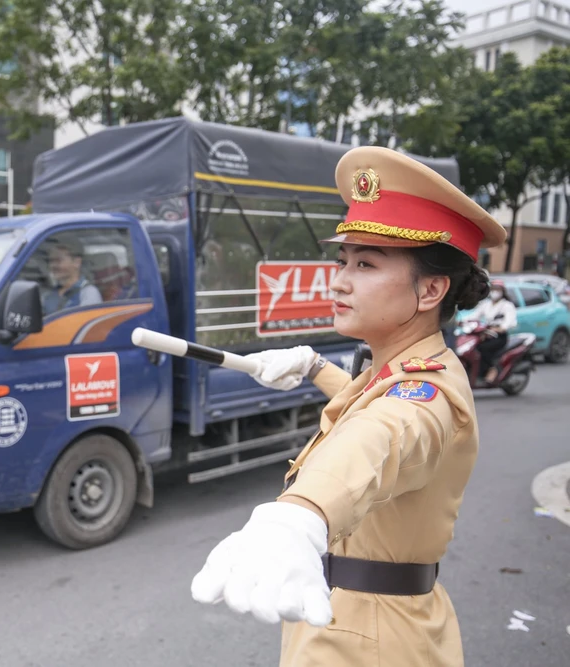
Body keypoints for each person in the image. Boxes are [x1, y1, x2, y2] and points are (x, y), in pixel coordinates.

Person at [189, 146, 504, 667]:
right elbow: (368, 405)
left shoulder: (426, 396)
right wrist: (315, 367)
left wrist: (300, 515)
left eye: (365, 264)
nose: (338, 280)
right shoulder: (403, 369)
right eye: (342, 261)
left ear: (430, 290)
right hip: (361, 621)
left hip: (369, 642)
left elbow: (381, 437)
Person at [464, 280, 517, 382]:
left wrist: (499, 328)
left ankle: (491, 369)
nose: (495, 292)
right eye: (493, 289)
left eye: (497, 289)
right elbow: (474, 316)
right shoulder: (486, 304)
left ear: (502, 291)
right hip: (486, 335)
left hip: (499, 337)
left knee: (483, 349)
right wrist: (461, 321)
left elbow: (508, 323)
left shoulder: (507, 306)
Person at [41, 235, 102, 315]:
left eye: (58, 260)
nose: (53, 266)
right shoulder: (47, 296)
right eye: (51, 261)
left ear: (77, 262)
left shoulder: (88, 293)